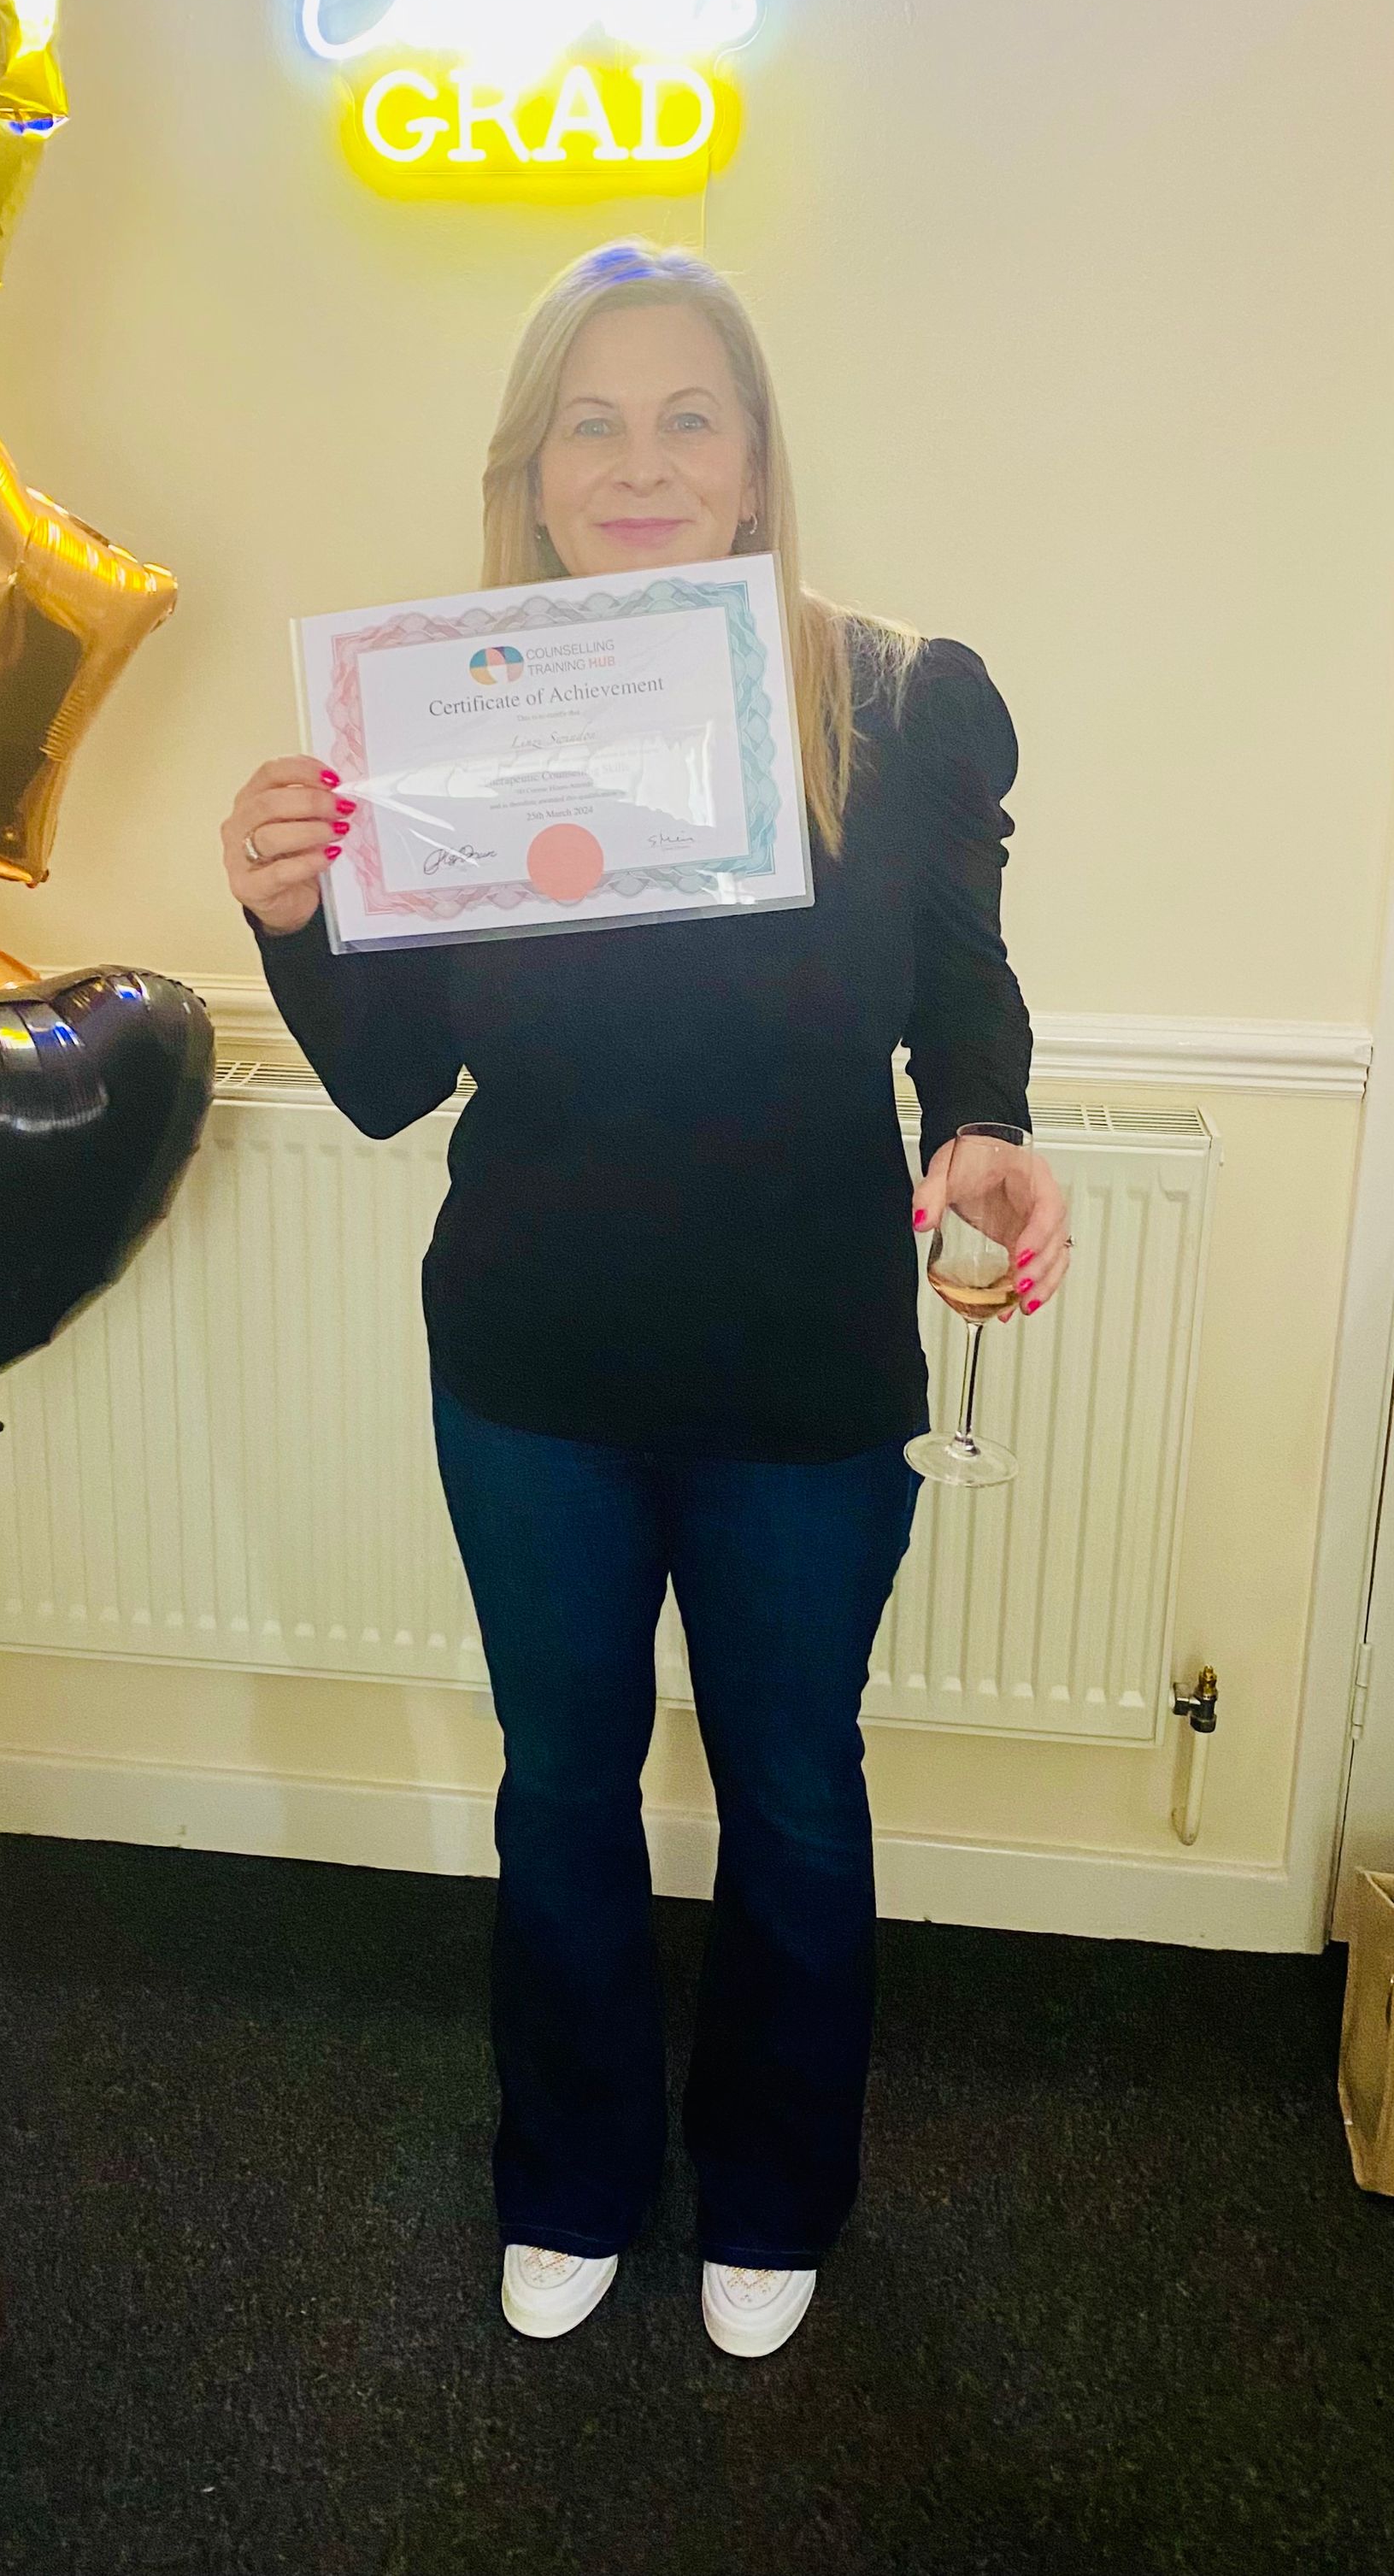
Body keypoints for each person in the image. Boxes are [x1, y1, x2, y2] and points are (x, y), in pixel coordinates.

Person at [221, 242, 1070, 2360]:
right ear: (532, 469)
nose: (640, 461)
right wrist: (293, 917)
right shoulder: (446, 720)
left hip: (803, 1370)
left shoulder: (899, 698)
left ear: (757, 454)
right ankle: (575, 2173)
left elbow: (960, 987)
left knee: (791, 1792)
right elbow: (394, 1083)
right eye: (589, 422)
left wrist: (984, 1128)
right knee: (563, 1786)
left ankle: (774, 2191)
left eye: (689, 415)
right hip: (536, 1370)